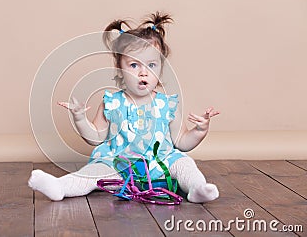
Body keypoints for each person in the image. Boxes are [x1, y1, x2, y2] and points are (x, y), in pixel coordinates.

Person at [28, 12, 220, 203]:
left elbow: (182, 142)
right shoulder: (112, 102)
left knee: (184, 163)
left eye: (151, 65)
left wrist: (200, 130)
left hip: (161, 163)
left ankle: (197, 189)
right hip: (119, 164)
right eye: (134, 65)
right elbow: (95, 137)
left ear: (161, 67)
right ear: (120, 68)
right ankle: (60, 186)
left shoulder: (167, 104)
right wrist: (79, 118)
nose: (143, 72)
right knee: (92, 173)